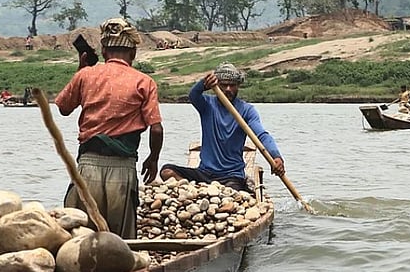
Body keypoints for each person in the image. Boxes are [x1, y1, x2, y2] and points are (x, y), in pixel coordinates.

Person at [55, 17, 164, 239]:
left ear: (103, 51)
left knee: (79, 235)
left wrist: (81, 69)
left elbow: (64, 108)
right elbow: (156, 129)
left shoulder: (86, 75)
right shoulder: (144, 82)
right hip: (122, 170)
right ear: (133, 54)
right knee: (120, 240)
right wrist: (153, 158)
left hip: (87, 167)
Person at [158, 63, 285, 194]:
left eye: (232, 85)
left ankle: (206, 193)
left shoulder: (247, 110)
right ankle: (196, 192)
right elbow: (193, 95)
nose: (228, 89)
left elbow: (262, 135)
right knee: (166, 171)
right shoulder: (207, 105)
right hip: (205, 173)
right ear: (216, 86)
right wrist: (203, 83)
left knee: (229, 193)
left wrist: (276, 156)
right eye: (223, 85)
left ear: (238, 86)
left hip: (231, 176)